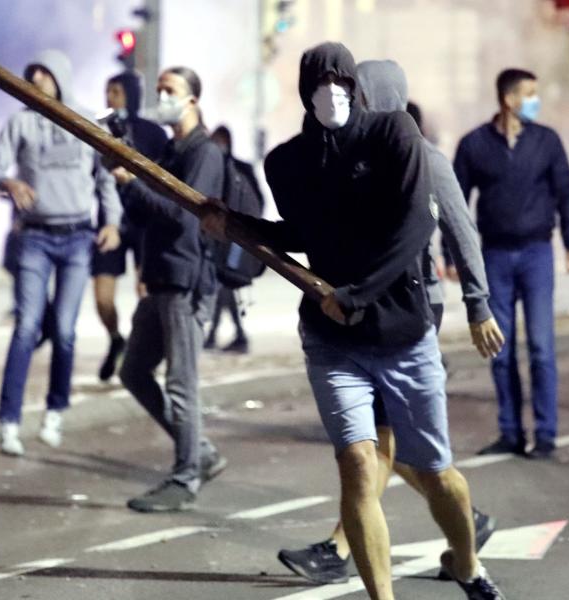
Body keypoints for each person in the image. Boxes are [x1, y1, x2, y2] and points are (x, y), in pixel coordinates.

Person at [205, 42, 505, 600]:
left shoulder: (396, 135)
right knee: (359, 466)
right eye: (318, 81)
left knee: (436, 472)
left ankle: (466, 562)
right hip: (332, 339)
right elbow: (302, 234)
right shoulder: (289, 162)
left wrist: (467, 301)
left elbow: (419, 225)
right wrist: (237, 225)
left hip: (403, 331)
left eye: (341, 79)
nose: (331, 90)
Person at [0, 50, 122, 456]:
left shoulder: (84, 121)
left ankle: (55, 411)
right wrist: (9, 183)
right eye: (32, 72)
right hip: (35, 239)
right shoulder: (21, 121)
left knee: (64, 330)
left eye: (44, 71)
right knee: (26, 327)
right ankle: (8, 420)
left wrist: (111, 222)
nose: (37, 77)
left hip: (78, 237)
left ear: (61, 76)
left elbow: (106, 178)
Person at [112, 66, 227, 513]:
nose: (161, 96)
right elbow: (146, 214)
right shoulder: (168, 150)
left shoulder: (204, 154)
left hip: (186, 281)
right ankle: (201, 452)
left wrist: (132, 183)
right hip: (159, 278)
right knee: (134, 371)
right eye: (158, 88)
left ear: (192, 100)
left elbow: (182, 214)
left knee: (181, 386)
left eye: (170, 90)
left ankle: (185, 476)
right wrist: (125, 181)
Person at [453, 68, 569, 459]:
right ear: (508, 99)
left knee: (542, 347)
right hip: (493, 255)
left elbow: (567, 192)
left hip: (537, 254)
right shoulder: (474, 144)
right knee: (500, 347)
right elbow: (455, 204)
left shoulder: (546, 141)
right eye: (529, 94)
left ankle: (545, 434)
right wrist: (449, 254)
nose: (535, 101)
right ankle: (510, 432)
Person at [92, 71, 168, 381]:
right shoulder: (96, 131)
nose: (110, 98)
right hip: (110, 223)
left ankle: (142, 352)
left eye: (117, 92)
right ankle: (115, 340)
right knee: (102, 297)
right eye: (107, 92)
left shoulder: (153, 134)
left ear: (132, 95)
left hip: (144, 222)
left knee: (145, 291)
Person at [204, 124, 264, 354]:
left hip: (237, 237)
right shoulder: (219, 167)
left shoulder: (241, 168)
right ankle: (233, 335)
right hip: (223, 237)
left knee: (227, 281)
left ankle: (223, 335)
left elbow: (257, 201)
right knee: (225, 284)